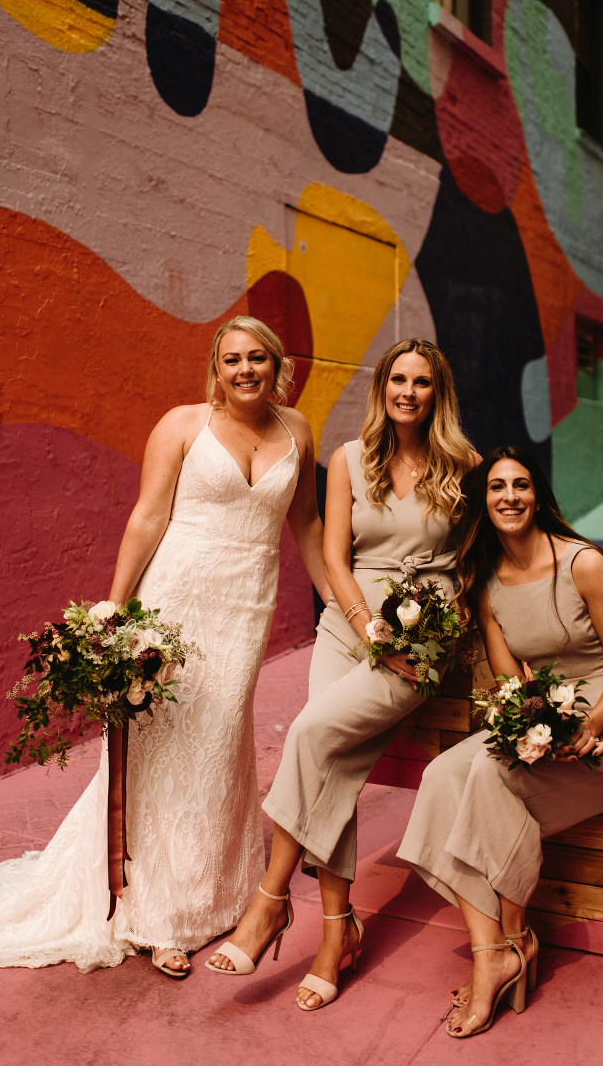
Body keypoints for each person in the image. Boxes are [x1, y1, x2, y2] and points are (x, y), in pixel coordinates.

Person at [0, 316, 327, 976]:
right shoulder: (182, 425)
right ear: (216, 370)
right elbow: (148, 516)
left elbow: (306, 521)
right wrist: (114, 612)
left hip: (245, 607)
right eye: (232, 359)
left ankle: (214, 895)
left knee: (221, 741)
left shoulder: (299, 430)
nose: (245, 369)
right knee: (162, 746)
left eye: (257, 357)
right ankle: (160, 916)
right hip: (176, 600)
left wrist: (340, 605)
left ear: (277, 366)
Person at [206, 338, 480, 1010]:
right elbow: (333, 557)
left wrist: (441, 635)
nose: (407, 392)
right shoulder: (352, 459)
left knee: (309, 735)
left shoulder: (466, 465)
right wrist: (365, 627)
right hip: (349, 624)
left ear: (437, 393)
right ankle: (337, 932)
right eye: (397, 379)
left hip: (418, 639)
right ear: (382, 388)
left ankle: (270, 902)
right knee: (332, 760)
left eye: (421, 382)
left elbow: (479, 566)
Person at [397, 445, 603, 1038]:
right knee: (443, 775)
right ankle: (495, 948)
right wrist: (530, 730)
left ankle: (506, 947)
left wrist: (589, 727)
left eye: (521, 485)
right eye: (497, 487)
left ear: (538, 496)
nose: (509, 496)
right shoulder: (487, 582)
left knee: (491, 779)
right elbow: (511, 685)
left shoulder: (584, 564)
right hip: (544, 722)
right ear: (484, 502)